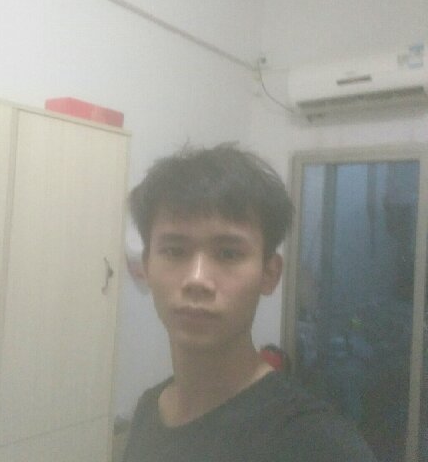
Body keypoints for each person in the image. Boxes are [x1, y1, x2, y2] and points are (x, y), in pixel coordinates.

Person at [123, 144, 376, 462]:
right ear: (146, 266)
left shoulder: (317, 443)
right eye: (174, 251)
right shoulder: (150, 409)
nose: (197, 279)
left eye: (228, 253)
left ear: (270, 274)